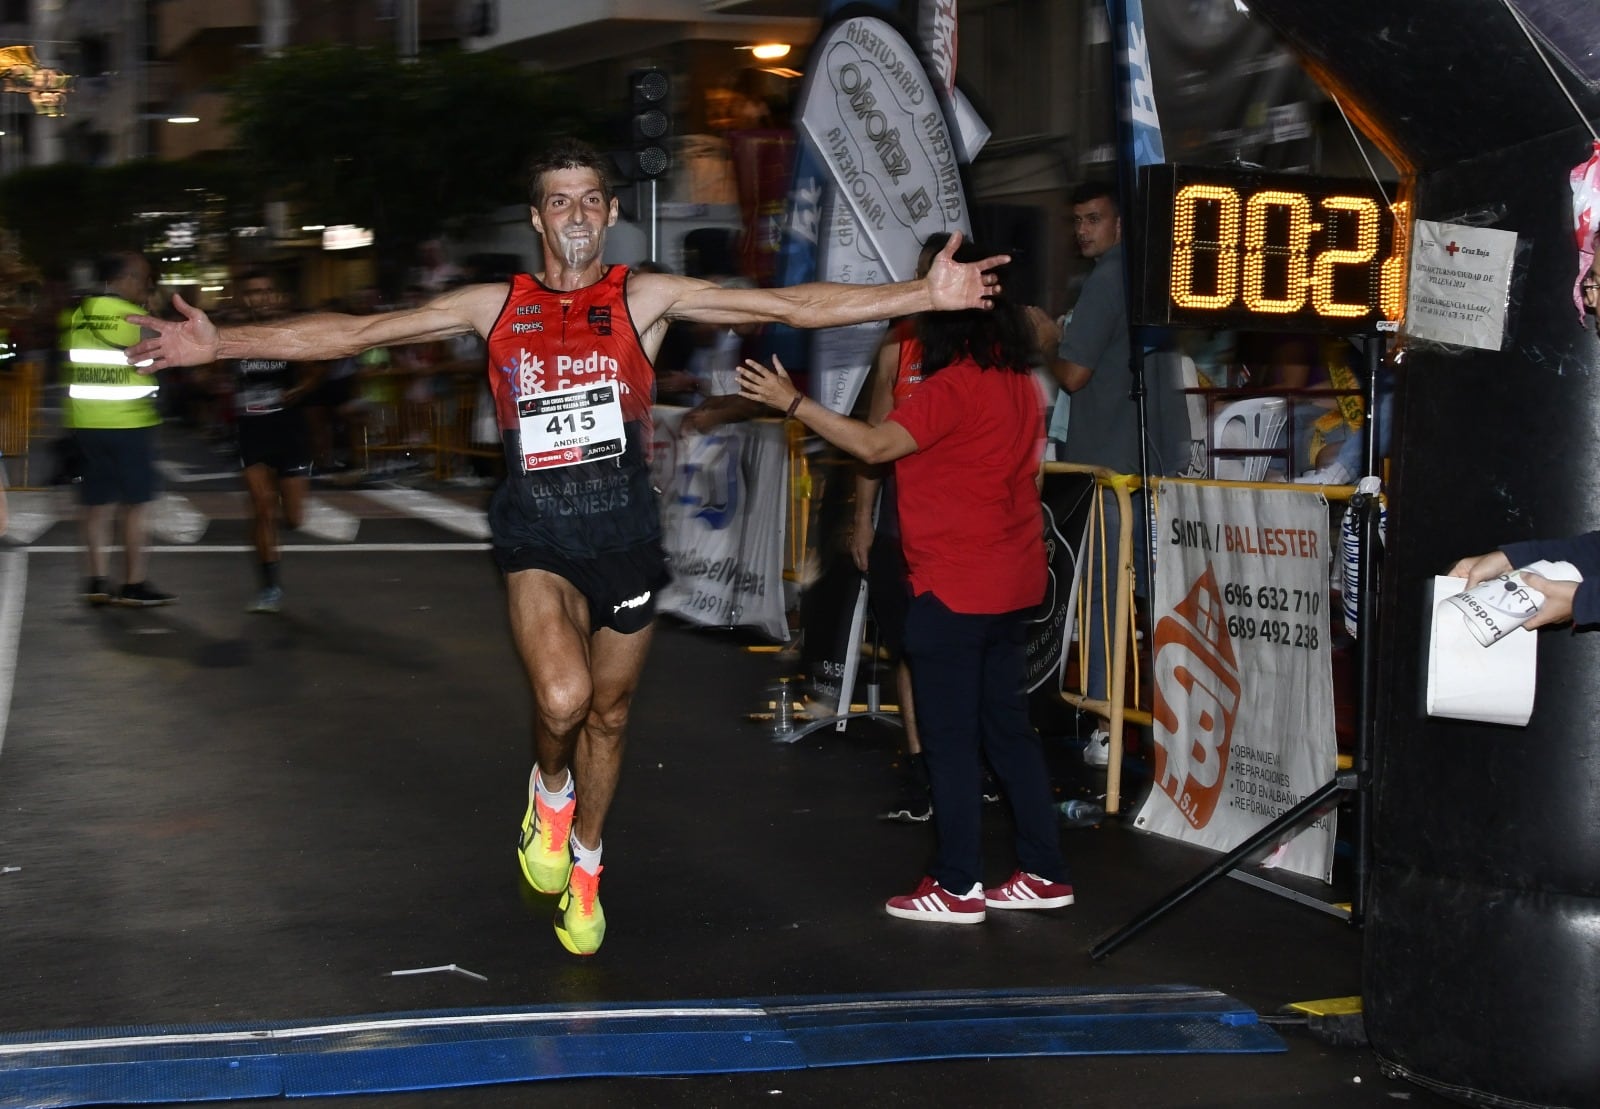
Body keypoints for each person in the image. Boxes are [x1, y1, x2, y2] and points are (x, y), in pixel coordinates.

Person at [127, 138, 1008, 956]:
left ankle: (587, 856)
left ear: (610, 211)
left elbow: (786, 303)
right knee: (563, 694)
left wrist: (922, 296)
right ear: (539, 219)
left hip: (622, 537)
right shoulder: (493, 304)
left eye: (592, 198)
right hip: (537, 532)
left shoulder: (642, 297)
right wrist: (224, 342)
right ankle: (549, 794)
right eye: (561, 201)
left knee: (611, 714)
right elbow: (360, 332)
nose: (578, 213)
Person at [737, 237, 1073, 925]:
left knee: (949, 740)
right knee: (1007, 731)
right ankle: (1043, 869)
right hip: (1010, 583)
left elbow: (872, 444)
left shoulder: (952, 388)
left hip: (954, 585)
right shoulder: (1020, 385)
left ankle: (956, 883)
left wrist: (791, 401)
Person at [1047, 181, 1183, 768]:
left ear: (1122, 225)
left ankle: (1106, 722)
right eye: (1077, 220)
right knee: (1157, 602)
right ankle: (1167, 725)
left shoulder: (1107, 280)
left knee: (1106, 601)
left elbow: (1073, 375)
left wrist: (1049, 338)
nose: (1083, 230)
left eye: (1093, 219)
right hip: (1154, 467)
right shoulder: (1152, 276)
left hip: (1110, 473)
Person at [60, 251, 175, 607]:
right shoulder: (137, 317)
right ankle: (133, 585)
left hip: (86, 423)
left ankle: (96, 581)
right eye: (141, 279)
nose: (144, 287)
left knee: (96, 505)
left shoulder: (77, 315)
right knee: (136, 505)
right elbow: (162, 356)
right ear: (124, 280)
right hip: (130, 423)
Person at [227, 270, 323, 614]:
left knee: (294, 518)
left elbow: (314, 373)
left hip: (288, 429)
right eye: (253, 292)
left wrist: (293, 392)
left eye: (267, 291)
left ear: (278, 296)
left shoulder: (291, 334)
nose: (261, 298)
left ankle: (274, 534)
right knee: (262, 507)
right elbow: (207, 371)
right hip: (251, 430)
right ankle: (269, 586)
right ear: (244, 299)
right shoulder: (235, 336)